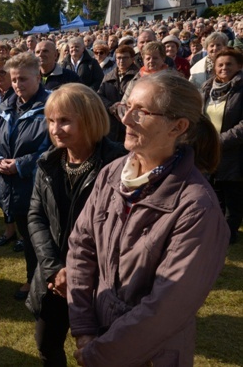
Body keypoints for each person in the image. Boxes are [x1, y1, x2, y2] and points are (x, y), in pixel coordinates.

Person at [67, 72, 229, 366]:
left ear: (177, 127)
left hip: (152, 353)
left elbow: (168, 307)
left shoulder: (197, 207)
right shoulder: (112, 173)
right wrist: (84, 329)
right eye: (125, 106)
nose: (125, 119)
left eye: (140, 111)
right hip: (98, 336)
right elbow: (81, 247)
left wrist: (101, 353)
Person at [26, 84, 126, 366]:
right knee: (47, 344)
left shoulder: (118, 164)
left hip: (101, 282)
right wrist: (54, 269)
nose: (55, 129)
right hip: (55, 280)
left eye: (64, 120)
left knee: (101, 353)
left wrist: (79, 272)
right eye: (51, 121)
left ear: (90, 119)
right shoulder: (49, 162)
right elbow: (36, 216)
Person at [0, 52, 50, 300]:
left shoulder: (50, 105)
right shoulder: (5, 106)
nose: (17, 84)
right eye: (13, 79)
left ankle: (39, 280)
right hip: (12, 184)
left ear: (38, 76)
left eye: (23, 79)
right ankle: (34, 277)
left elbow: (53, 148)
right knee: (27, 232)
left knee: (40, 236)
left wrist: (22, 164)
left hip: (38, 185)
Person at [201, 48, 243, 244]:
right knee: (214, 193)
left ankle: (229, 234)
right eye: (220, 64)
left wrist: (219, 141)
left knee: (232, 198)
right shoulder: (208, 88)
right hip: (211, 152)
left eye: (229, 64)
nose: (224, 67)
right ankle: (217, 230)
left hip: (234, 154)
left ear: (239, 66)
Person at [98, 45, 138, 142]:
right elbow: (99, 95)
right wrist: (111, 107)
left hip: (131, 121)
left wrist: (122, 106)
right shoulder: (108, 76)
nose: (121, 61)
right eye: (119, 58)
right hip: (111, 123)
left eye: (125, 58)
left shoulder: (138, 76)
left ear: (132, 59)